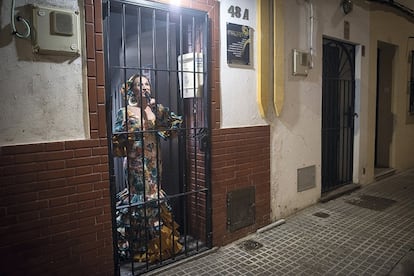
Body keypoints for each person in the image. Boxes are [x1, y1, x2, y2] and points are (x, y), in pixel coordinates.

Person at [112, 74, 183, 263]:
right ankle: (139, 244)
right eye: (139, 84)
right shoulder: (125, 111)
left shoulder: (155, 110)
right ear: (132, 89)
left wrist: (160, 117)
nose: (144, 86)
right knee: (140, 196)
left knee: (153, 193)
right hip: (135, 162)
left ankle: (157, 242)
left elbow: (175, 125)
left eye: (146, 83)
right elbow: (118, 139)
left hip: (154, 161)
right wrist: (126, 135)